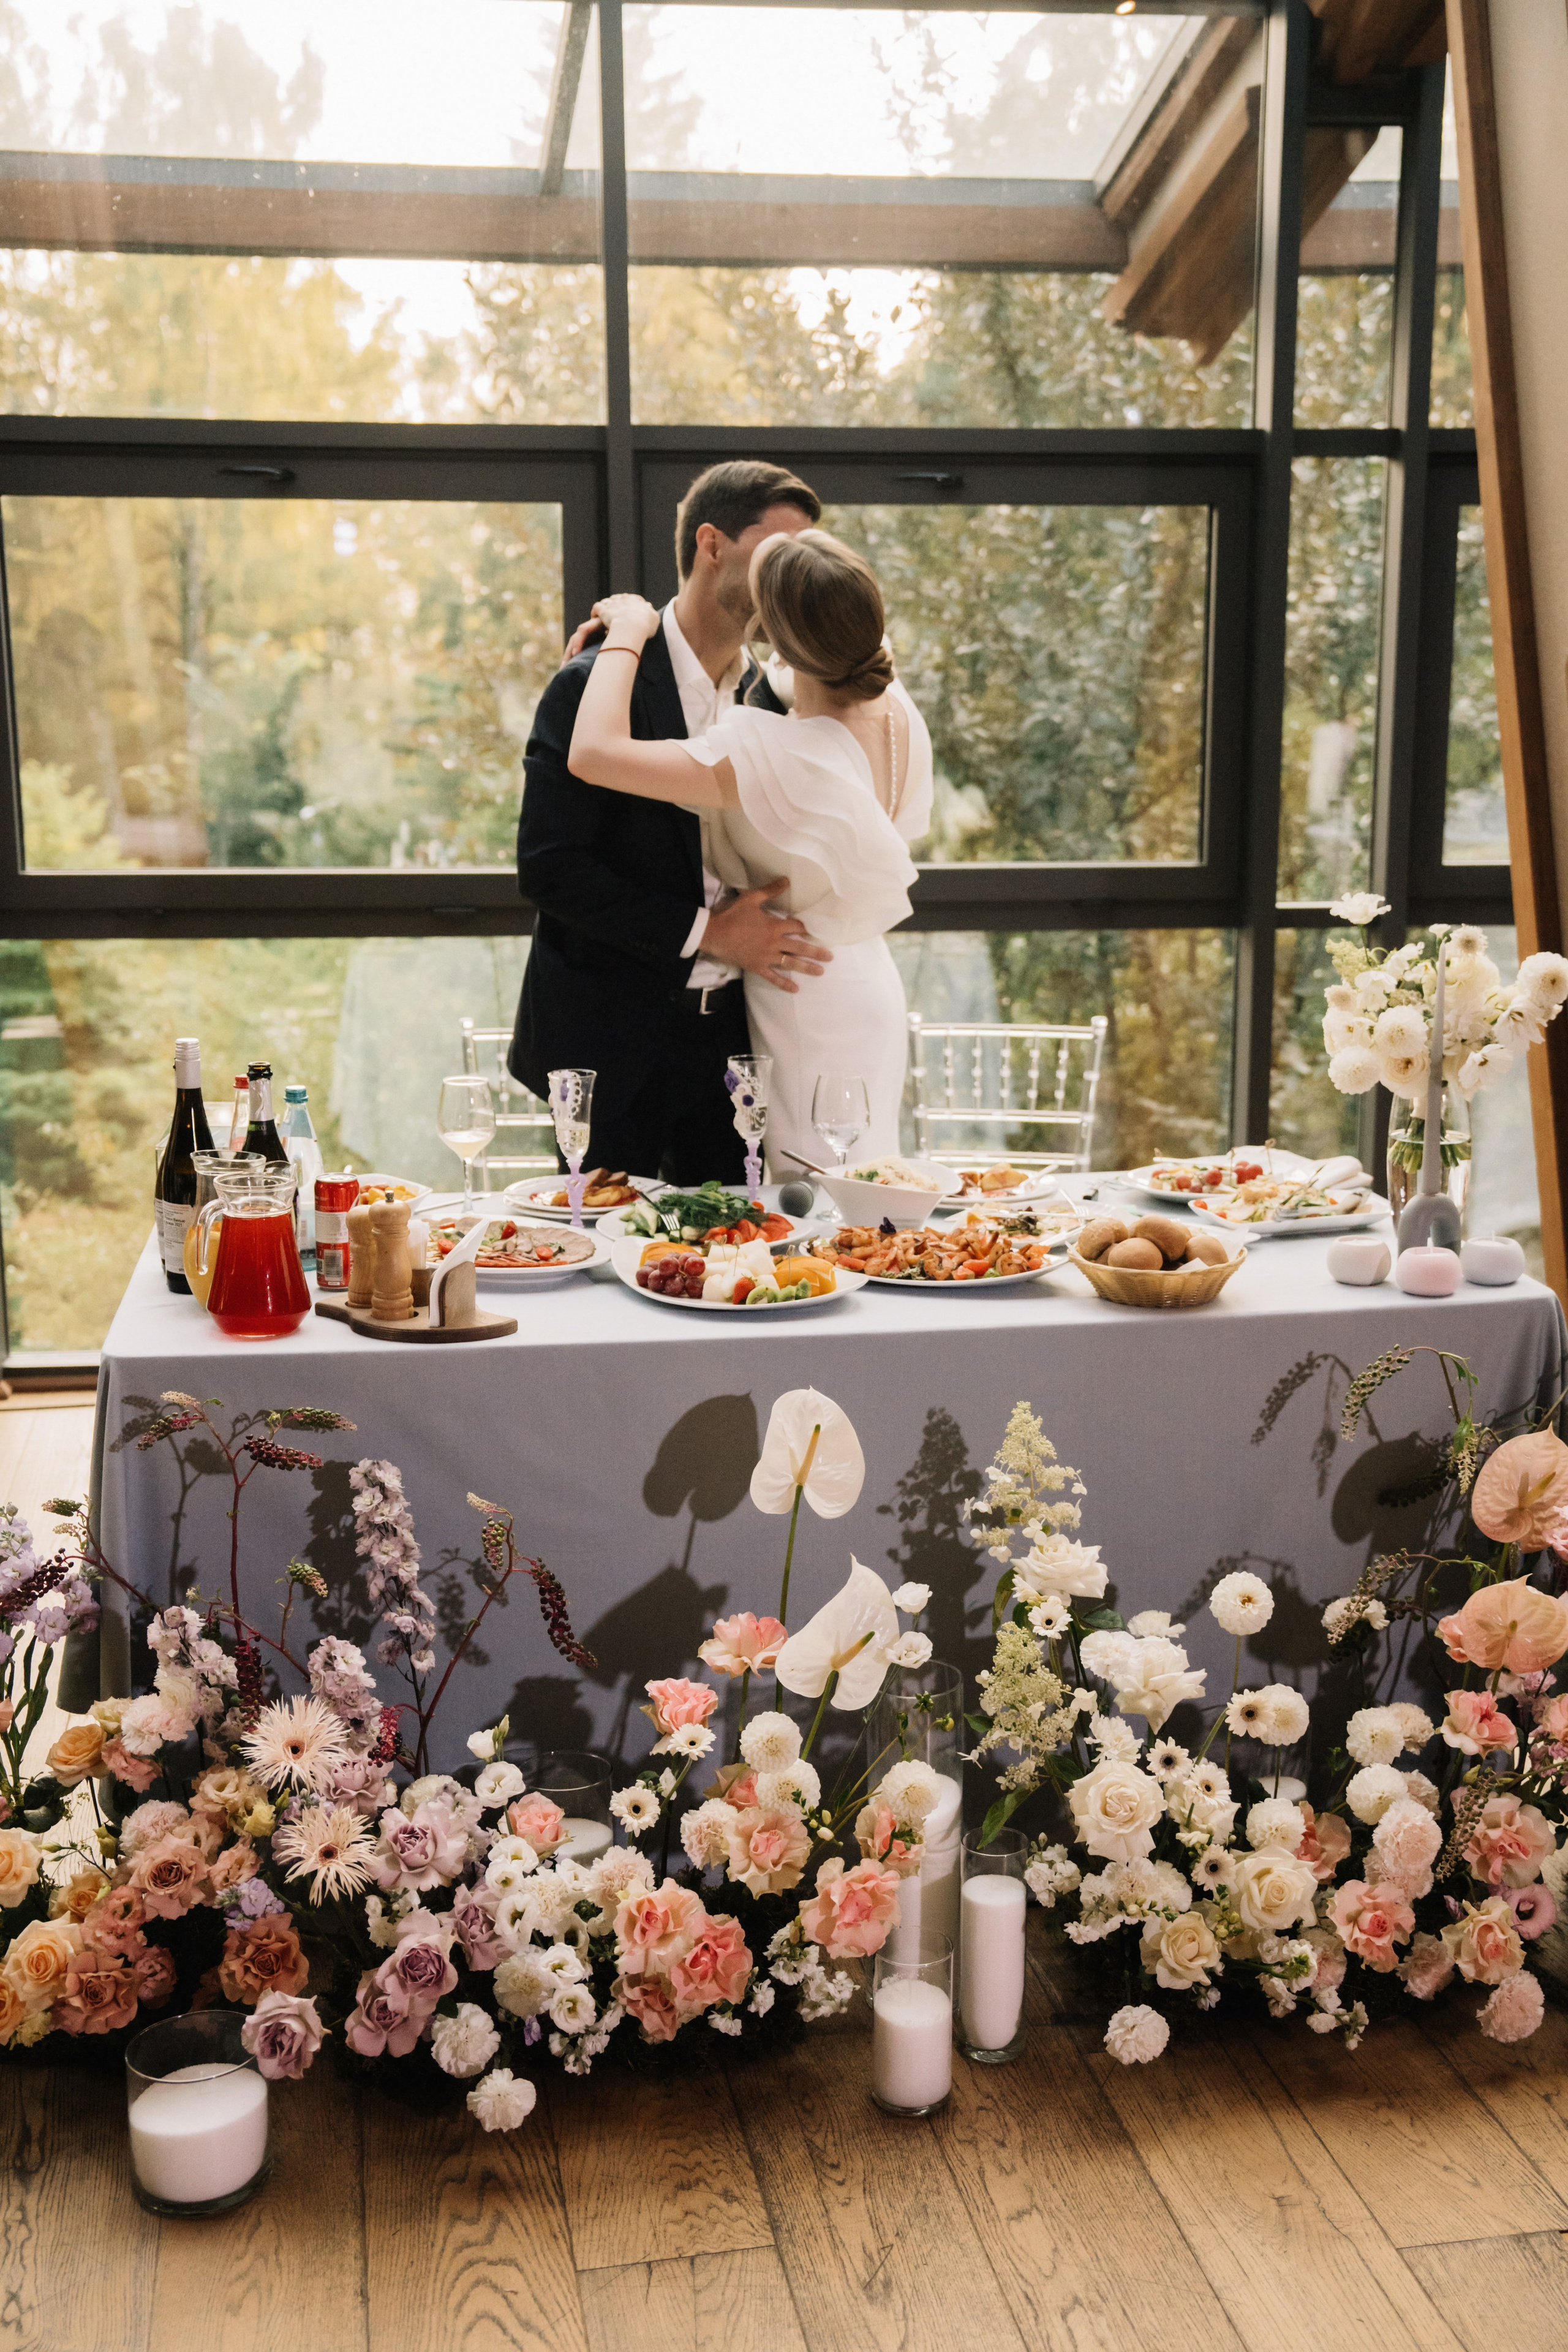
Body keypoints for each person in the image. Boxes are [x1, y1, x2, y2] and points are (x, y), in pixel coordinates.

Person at [566, 529, 933, 1178]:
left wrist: (628, 628)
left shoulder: (772, 752)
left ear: (774, 638)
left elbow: (592, 754)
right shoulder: (895, 709)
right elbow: (813, 678)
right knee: (862, 1182)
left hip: (800, 994)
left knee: (814, 1189)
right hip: (864, 981)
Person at [508, 459, 831, 1184]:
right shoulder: (594, 684)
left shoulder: (774, 696)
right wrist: (708, 932)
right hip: (607, 1041)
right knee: (601, 1244)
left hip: (733, 1041)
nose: (793, 575)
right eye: (779, 553)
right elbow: (550, 868)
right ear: (712, 544)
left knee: (734, 1242)